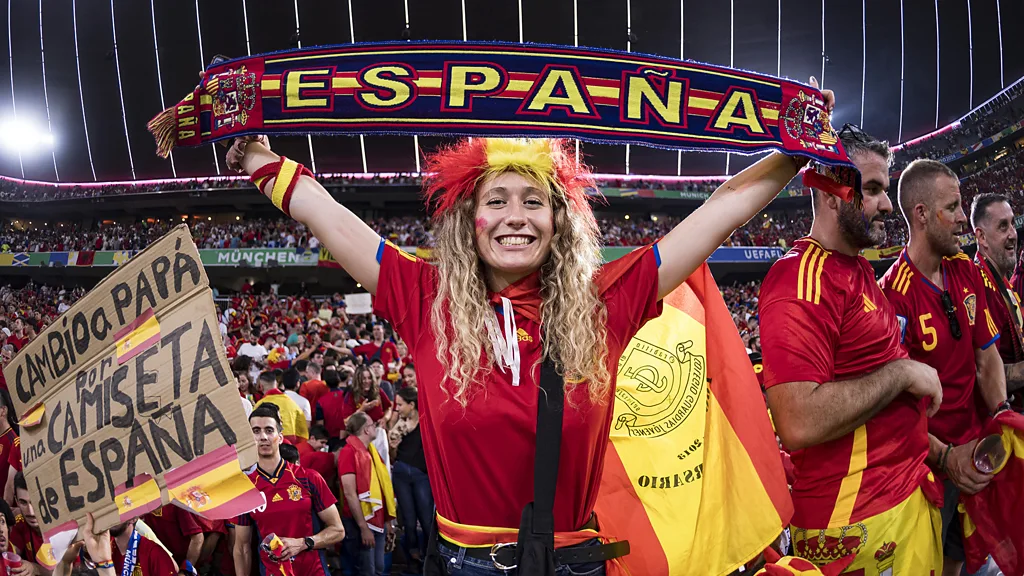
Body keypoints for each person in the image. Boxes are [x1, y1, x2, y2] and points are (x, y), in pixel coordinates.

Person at [227, 80, 832, 573]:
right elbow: (328, 214)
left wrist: (795, 145)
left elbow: (719, 211)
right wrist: (254, 155)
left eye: (533, 201)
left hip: (571, 563)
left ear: (559, 221)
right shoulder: (423, 297)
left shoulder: (602, 301)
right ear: (470, 219)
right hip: (462, 563)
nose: (515, 217)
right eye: (497, 200)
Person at [760, 126, 944, 573]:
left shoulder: (858, 268)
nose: (886, 204)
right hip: (856, 528)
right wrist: (903, 373)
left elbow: (880, 407)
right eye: (874, 189)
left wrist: (941, 455)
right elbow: (798, 421)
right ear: (830, 194)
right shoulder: (798, 279)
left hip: (903, 504)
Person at [879, 158, 1008, 576]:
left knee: (961, 559)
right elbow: (895, 406)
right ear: (921, 214)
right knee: (932, 564)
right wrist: (946, 456)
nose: (960, 219)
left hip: (976, 455)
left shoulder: (967, 271)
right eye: (952, 208)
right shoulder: (892, 297)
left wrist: (1003, 415)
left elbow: (988, 360)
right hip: (930, 467)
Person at [232, 404, 344, 576]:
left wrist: (303, 543)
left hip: (313, 571)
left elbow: (338, 530)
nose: (263, 437)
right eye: (256, 431)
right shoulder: (245, 489)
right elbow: (241, 547)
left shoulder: (309, 478)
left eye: (269, 430)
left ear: (280, 437)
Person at [970, 193, 1024, 398]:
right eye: (1003, 226)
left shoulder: (1002, 283)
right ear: (981, 237)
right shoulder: (978, 288)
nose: (1013, 234)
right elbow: (982, 372)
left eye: (1012, 223)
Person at [339, 412, 395, 576]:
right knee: (366, 570)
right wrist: (364, 528)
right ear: (365, 430)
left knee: (378, 568)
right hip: (360, 523)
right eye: (372, 424)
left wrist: (387, 521)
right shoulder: (349, 452)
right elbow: (350, 493)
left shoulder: (370, 452)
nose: (376, 427)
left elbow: (381, 488)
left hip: (377, 519)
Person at [388, 387, 433, 573]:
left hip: (421, 475)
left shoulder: (426, 422)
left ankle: (432, 558)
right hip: (401, 473)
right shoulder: (399, 425)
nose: (397, 409)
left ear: (411, 404)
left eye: (400, 405)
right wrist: (393, 445)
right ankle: (413, 560)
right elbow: (392, 456)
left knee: (426, 519)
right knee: (408, 519)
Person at [141, 503, 204, 569]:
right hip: (162, 561)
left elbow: (197, 537)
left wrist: (186, 570)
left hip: (183, 561)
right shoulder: (142, 503)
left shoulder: (177, 505)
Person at [109, 517, 178, 576]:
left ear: (134, 518)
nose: (111, 517)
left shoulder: (154, 553)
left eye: (117, 512)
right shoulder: (105, 549)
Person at [253, 371, 308, 443]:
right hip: (290, 447)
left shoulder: (259, 405)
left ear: (261, 387)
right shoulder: (292, 403)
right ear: (276, 384)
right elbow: (303, 433)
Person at [11, 472, 46, 575]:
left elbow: (71, 570)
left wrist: (35, 568)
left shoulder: (63, 526)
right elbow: (11, 554)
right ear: (16, 502)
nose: (30, 512)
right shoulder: (20, 523)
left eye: (35, 501)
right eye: (23, 502)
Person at [315, 369, 352, 439]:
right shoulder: (348, 396)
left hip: (329, 438)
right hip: (347, 436)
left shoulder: (321, 401)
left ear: (325, 383)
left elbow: (320, 425)